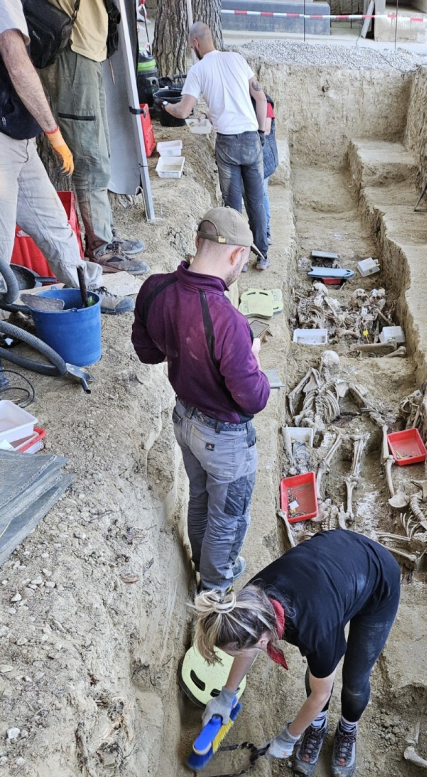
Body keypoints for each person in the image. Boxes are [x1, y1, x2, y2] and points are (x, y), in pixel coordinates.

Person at [131, 208, 269, 592]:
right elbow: (254, 398)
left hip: (185, 420)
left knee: (201, 496)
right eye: (244, 260)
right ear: (237, 256)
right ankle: (214, 589)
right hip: (225, 437)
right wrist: (253, 358)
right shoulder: (229, 321)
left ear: (197, 243)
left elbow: (148, 352)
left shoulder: (155, 289)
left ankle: (202, 562)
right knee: (228, 516)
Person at [193, 530, 402, 777]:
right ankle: (317, 724)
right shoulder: (248, 603)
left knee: (355, 680)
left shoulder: (315, 629)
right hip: (334, 571)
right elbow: (247, 646)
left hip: (377, 580)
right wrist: (227, 695)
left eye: (238, 651)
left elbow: (321, 692)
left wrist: (289, 737)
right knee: (318, 669)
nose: (239, 655)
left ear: (261, 640)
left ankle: (347, 728)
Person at [0, 0, 133, 314]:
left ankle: (88, 289)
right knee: (1, 248)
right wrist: (54, 134)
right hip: (3, 137)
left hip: (16, 130)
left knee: (54, 225)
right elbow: (18, 66)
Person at [43, 0, 148, 275]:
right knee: (90, 158)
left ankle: (105, 237)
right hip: (74, 50)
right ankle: (99, 248)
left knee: (99, 151)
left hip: (89, 51)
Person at [162, 23, 270, 272]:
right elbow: (260, 97)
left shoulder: (198, 70)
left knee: (233, 206)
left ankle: (238, 258)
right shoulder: (236, 59)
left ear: (195, 43)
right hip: (252, 138)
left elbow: (182, 111)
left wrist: (165, 104)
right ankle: (262, 254)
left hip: (228, 144)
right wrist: (262, 132)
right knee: (256, 200)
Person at [261, 95, 278, 246]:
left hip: (263, 156)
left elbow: (266, 129)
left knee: (261, 193)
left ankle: (265, 231)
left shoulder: (264, 102)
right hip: (248, 154)